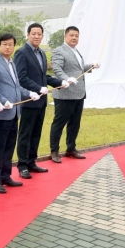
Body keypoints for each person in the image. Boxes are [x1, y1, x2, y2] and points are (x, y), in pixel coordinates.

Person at [0, 33, 40, 193]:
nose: (8, 47)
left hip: (14, 112)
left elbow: (16, 86)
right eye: (4, 44)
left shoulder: (12, 63)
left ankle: (5, 175)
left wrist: (29, 93)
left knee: (9, 146)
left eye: (10, 44)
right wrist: (2, 100)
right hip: (1, 113)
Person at [14, 23, 67, 179]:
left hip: (41, 100)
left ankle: (31, 162)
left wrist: (60, 82)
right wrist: (38, 88)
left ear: (42, 36)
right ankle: (22, 165)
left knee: (36, 133)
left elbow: (44, 76)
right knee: (25, 133)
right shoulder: (21, 53)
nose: (36, 36)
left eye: (39, 34)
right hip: (29, 99)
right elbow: (21, 78)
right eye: (34, 34)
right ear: (28, 35)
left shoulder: (42, 53)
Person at [49, 26, 99, 163]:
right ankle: (54, 151)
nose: (74, 38)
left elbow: (78, 69)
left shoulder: (77, 51)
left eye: (76, 35)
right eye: (71, 35)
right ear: (65, 36)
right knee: (59, 123)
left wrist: (91, 66)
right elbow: (57, 68)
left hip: (79, 93)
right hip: (65, 94)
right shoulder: (59, 51)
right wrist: (65, 78)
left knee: (74, 123)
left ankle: (71, 148)